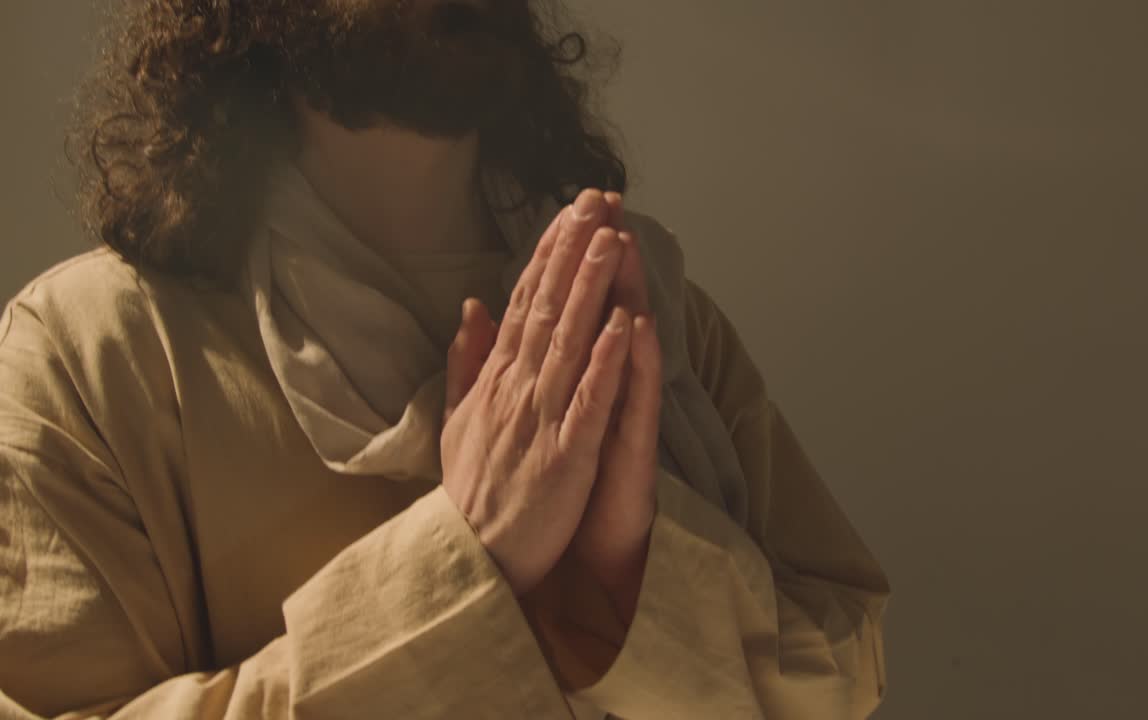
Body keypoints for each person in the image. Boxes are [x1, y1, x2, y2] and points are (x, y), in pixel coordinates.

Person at [0, 1, 890, 717]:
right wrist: (468, 563)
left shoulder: (651, 310)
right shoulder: (88, 351)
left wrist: (627, 573)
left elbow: (841, 675)